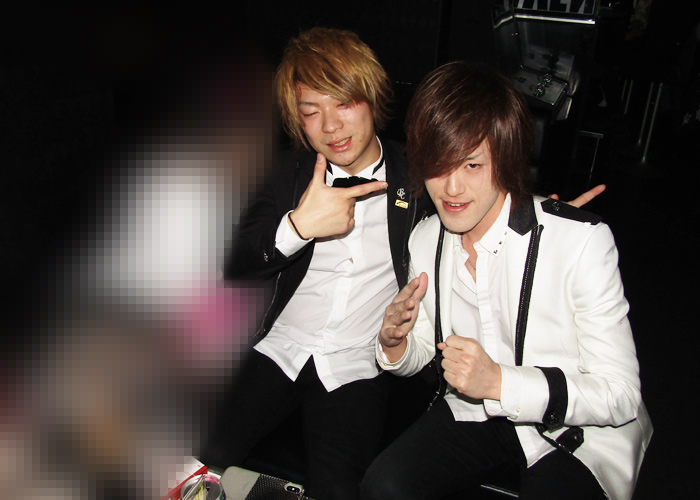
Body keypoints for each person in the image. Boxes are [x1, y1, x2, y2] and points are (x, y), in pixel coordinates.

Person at [360, 61, 652, 500]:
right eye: (438, 165)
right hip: (478, 411)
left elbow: (621, 394)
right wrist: (395, 344)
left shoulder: (582, 242)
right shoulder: (426, 239)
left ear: (506, 157)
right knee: (383, 486)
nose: (451, 188)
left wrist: (499, 382)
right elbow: (425, 349)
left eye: (472, 165)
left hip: (576, 429)